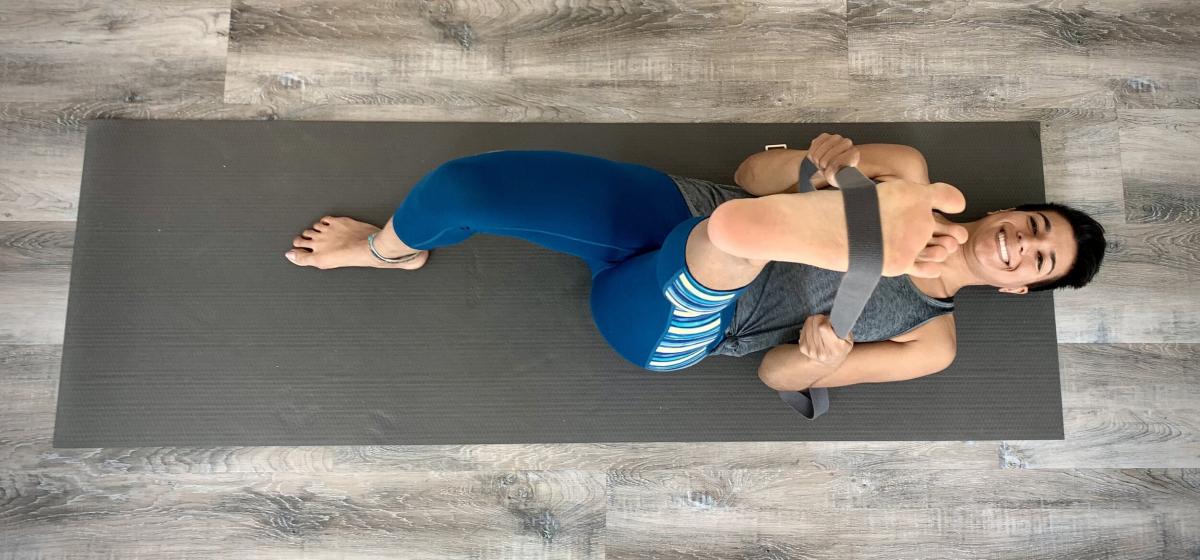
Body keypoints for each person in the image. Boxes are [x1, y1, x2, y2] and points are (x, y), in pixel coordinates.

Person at [282, 134, 1105, 391]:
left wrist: (827, 354)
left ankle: (766, 239)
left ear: (1023, 284)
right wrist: (818, 169)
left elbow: (777, 378)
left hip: (685, 319)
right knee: (460, 186)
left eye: (1039, 259)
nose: (1024, 242)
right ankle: (391, 254)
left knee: (725, 251)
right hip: (684, 209)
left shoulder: (932, 343)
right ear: (1003, 211)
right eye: (1034, 224)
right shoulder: (909, 173)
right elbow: (749, 175)